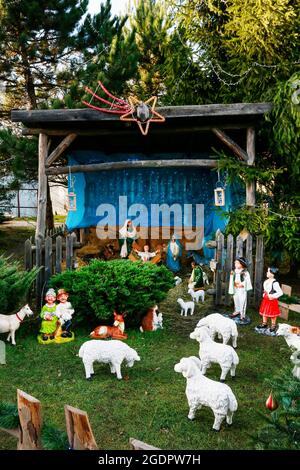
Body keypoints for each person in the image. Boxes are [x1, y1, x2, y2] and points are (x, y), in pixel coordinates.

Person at [257, 267, 283, 332]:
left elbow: (280, 292)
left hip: (272, 300)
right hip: (266, 299)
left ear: (273, 274)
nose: (267, 272)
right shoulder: (266, 281)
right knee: (264, 312)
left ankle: (273, 325)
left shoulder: (275, 283)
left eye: (268, 271)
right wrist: (264, 294)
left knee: (272, 313)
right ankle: (264, 323)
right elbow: (265, 290)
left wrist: (272, 296)